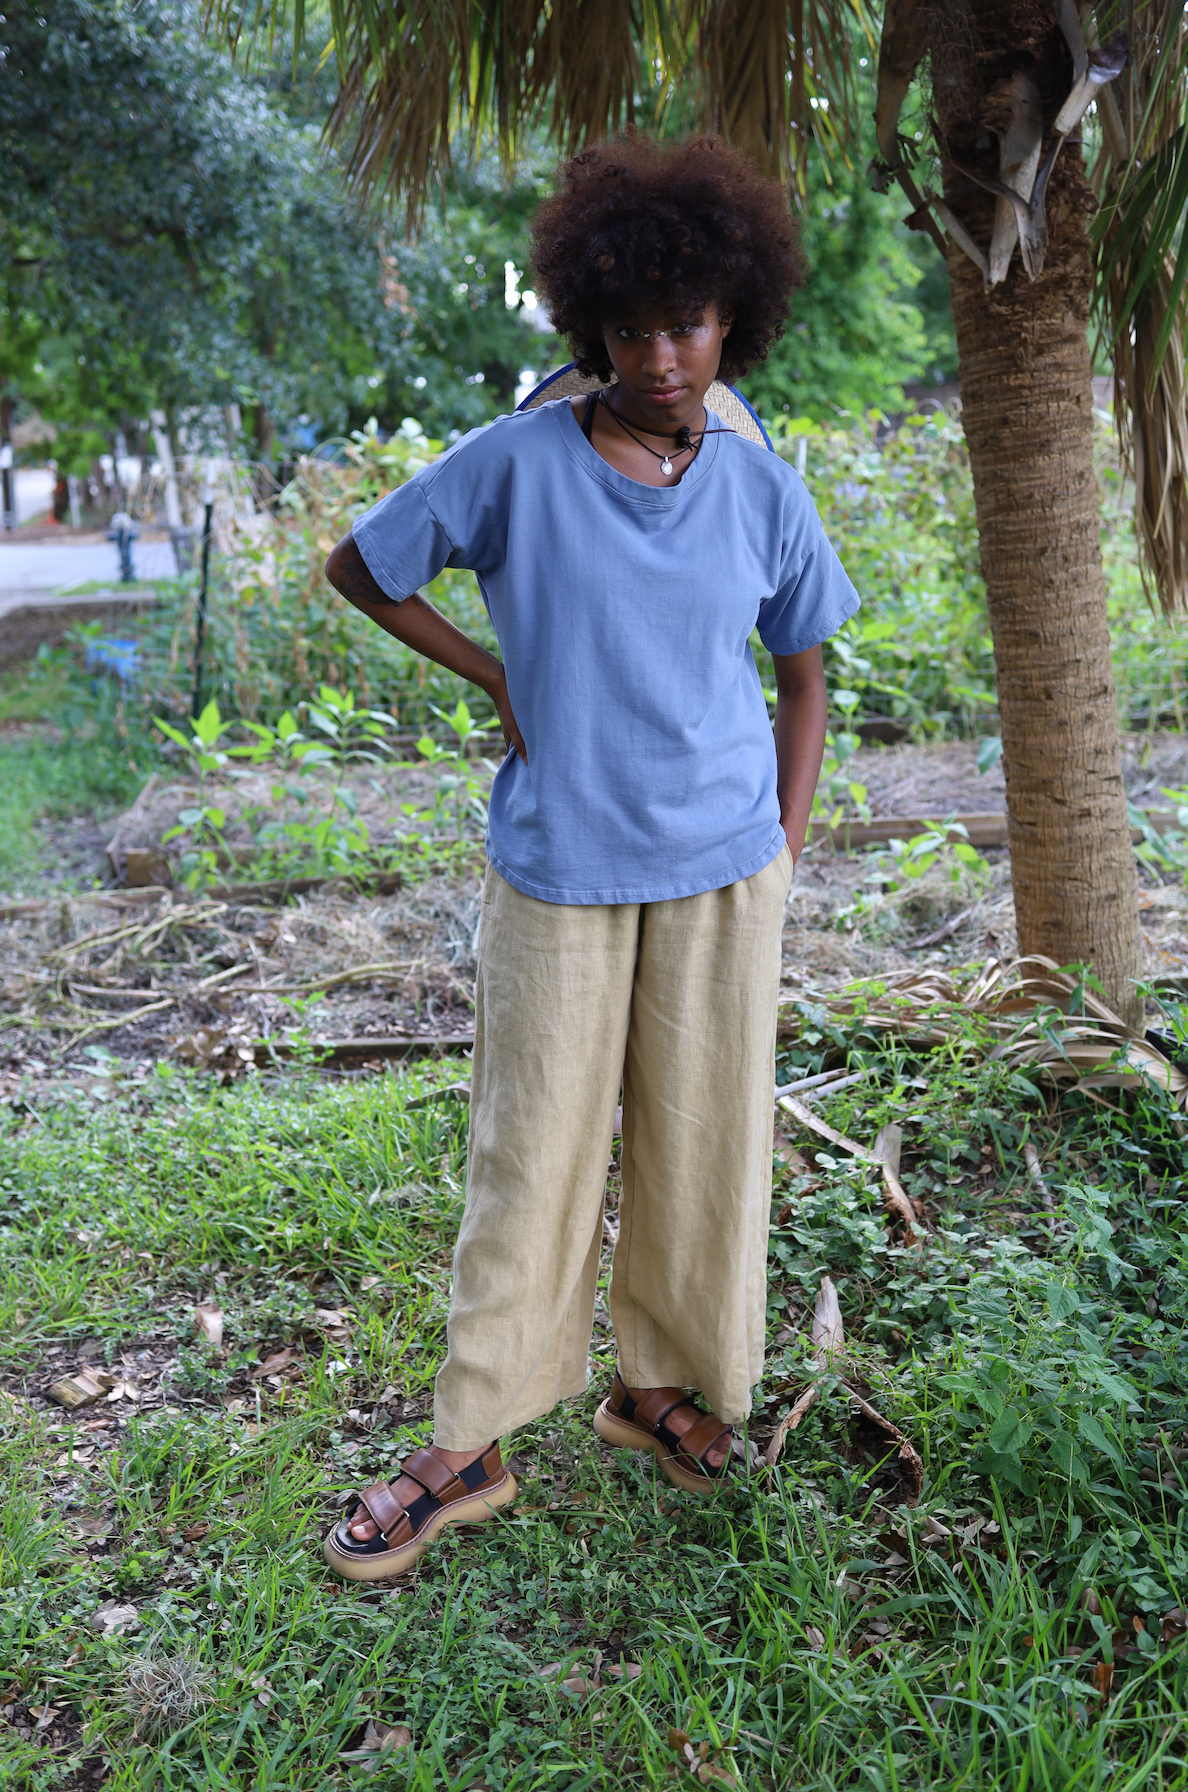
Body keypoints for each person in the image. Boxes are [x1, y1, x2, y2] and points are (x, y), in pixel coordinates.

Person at [321, 134, 859, 1583]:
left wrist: (785, 853)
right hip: (560, 865)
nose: (662, 356)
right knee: (532, 1153)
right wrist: (491, 674)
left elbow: (804, 675)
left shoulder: (761, 487)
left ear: (732, 315)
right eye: (631, 328)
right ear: (590, 322)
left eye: (687, 326)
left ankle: (660, 1384)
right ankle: (472, 1437)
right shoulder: (516, 463)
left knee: (705, 1144)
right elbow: (362, 566)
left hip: (723, 873)